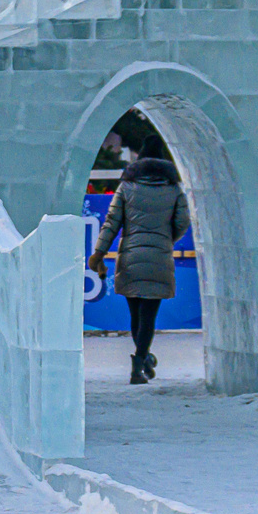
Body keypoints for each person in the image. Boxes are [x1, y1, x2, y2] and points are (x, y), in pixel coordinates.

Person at [89, 136, 192, 385]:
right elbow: (183, 222)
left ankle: (142, 361)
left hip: (131, 255)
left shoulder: (127, 187)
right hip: (159, 256)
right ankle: (140, 363)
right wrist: (166, 238)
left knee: (135, 314)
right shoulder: (174, 188)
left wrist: (99, 253)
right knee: (149, 315)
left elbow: (111, 223)